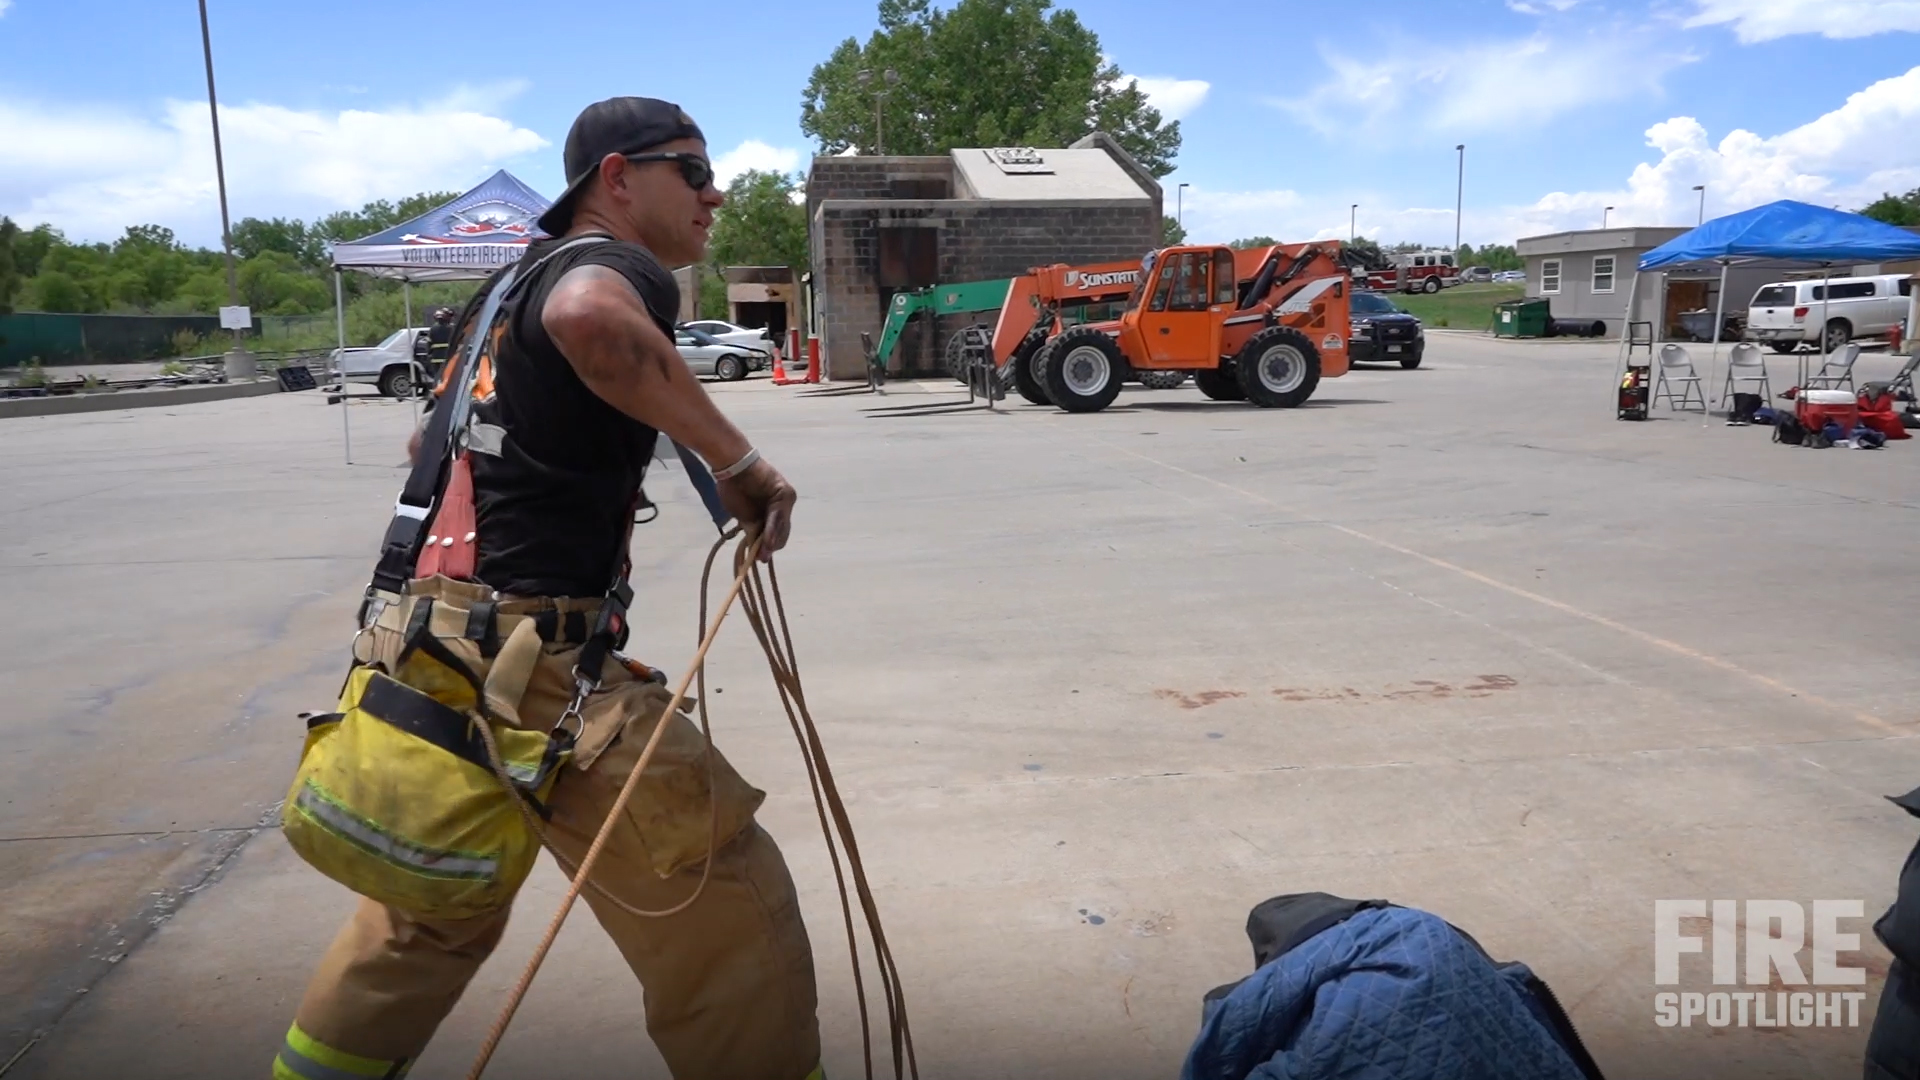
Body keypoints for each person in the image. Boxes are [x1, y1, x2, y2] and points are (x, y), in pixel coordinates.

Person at [273, 97, 818, 1080]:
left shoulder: (496, 298)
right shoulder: (603, 272)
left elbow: (429, 445)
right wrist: (737, 461)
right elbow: (589, 322)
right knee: (726, 907)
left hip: (419, 649)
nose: (715, 193)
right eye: (692, 171)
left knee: (428, 919)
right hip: (535, 663)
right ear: (617, 178)